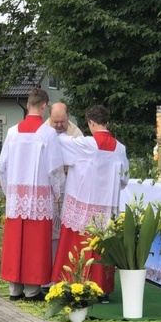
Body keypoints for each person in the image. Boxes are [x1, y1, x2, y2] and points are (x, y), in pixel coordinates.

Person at [51, 104, 129, 296]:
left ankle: (75, 284)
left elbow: (59, 142)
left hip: (83, 206)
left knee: (78, 245)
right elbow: (124, 180)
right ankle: (102, 288)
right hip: (106, 210)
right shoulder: (120, 148)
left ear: (92, 123)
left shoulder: (86, 144)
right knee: (101, 246)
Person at [0, 88, 65, 300]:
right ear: (44, 106)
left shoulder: (12, 132)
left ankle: (14, 289)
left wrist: (10, 191)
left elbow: (2, 166)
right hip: (39, 197)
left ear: (28, 105)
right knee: (35, 244)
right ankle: (31, 289)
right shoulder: (47, 134)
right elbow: (55, 169)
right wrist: (58, 193)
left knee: (16, 242)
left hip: (18, 197)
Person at [44, 102, 83, 273]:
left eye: (63, 122)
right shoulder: (42, 132)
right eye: (55, 122)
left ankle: (65, 268)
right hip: (47, 186)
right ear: (49, 118)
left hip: (69, 185)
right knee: (49, 230)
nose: (59, 126)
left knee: (66, 230)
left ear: (68, 118)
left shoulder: (76, 134)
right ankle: (48, 267)